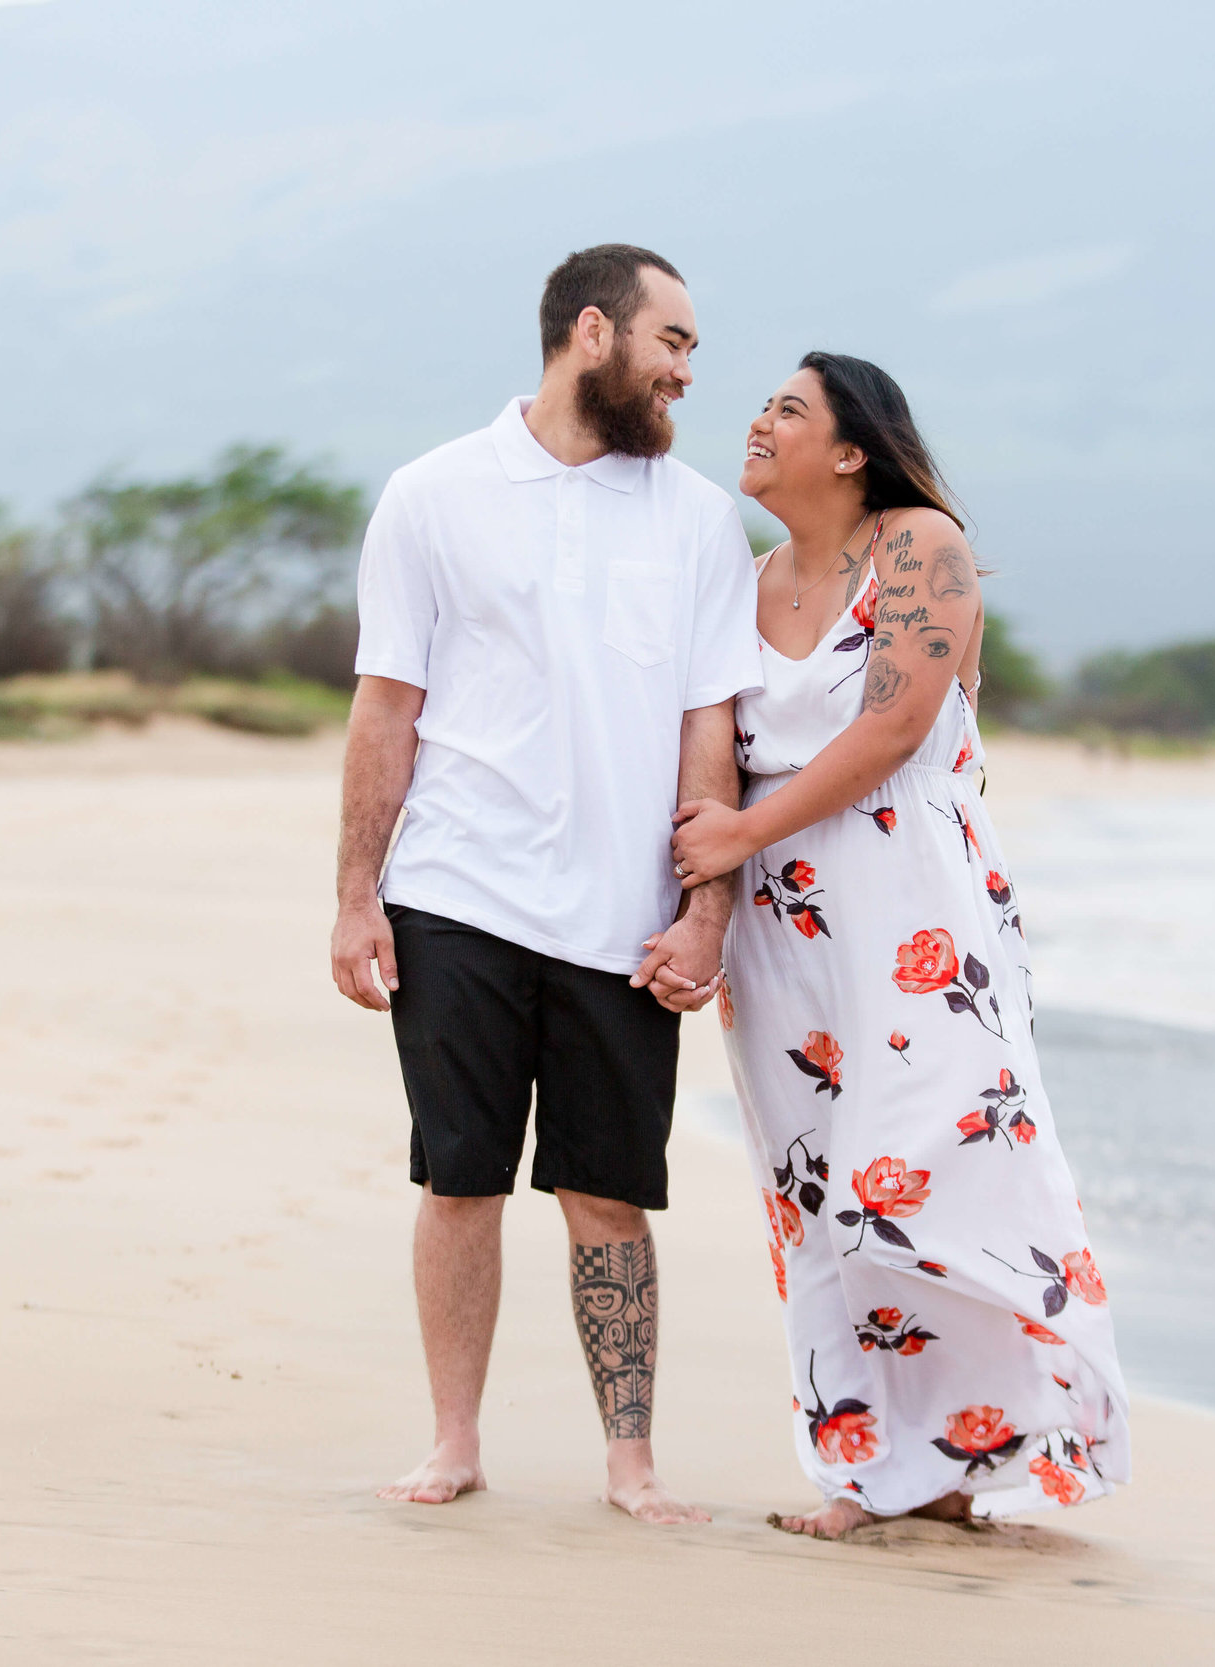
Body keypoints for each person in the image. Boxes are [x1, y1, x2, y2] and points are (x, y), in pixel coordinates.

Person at [669, 352, 1132, 1538]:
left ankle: (997, 1429)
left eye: (787, 409)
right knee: (818, 1190)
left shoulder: (917, 545)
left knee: (935, 1166)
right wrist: (715, 886)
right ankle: (876, 1471)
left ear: (850, 449)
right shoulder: (746, 574)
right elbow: (713, 739)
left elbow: (893, 725)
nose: (757, 422)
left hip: (917, 909)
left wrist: (736, 834)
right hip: (787, 929)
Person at [330, 244, 758, 1525]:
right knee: (457, 1173)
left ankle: (630, 1459)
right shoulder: (432, 492)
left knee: (606, 1187)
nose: (688, 370)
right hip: (455, 888)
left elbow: (710, 730)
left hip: (621, 913)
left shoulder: (695, 517)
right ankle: (453, 1439)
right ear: (592, 333)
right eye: (671, 340)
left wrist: (704, 906)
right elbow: (386, 706)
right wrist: (358, 892)